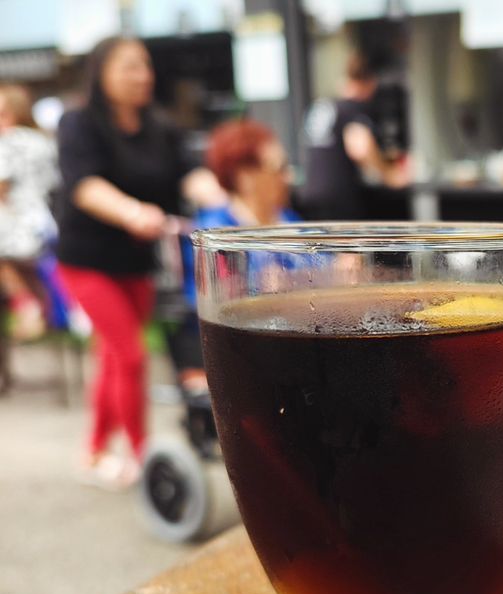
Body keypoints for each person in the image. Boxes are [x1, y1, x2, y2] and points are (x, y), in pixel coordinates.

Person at [54, 36, 209, 489]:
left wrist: (221, 196)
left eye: (145, 66)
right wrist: (131, 212)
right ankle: (146, 462)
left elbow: (190, 174)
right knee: (130, 355)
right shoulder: (79, 122)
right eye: (128, 66)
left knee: (112, 358)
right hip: (86, 261)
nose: (142, 75)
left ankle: (95, 450)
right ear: (101, 72)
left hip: (136, 263)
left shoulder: (162, 126)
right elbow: (83, 185)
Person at [170, 119, 301, 395]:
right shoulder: (216, 232)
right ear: (245, 175)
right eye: (278, 168)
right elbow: (210, 300)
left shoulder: (288, 220)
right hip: (244, 355)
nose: (288, 177)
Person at [301, 50, 409, 221]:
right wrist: (390, 176)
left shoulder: (322, 105)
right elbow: (361, 148)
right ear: (371, 82)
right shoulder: (353, 109)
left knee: (320, 247)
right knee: (346, 247)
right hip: (339, 197)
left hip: (310, 195)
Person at [0, 83, 58, 391]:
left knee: (6, 263)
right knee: (25, 268)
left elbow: (2, 187)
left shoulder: (7, 142)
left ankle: (27, 306)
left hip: (13, 228)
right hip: (42, 226)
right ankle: (42, 305)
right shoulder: (44, 141)